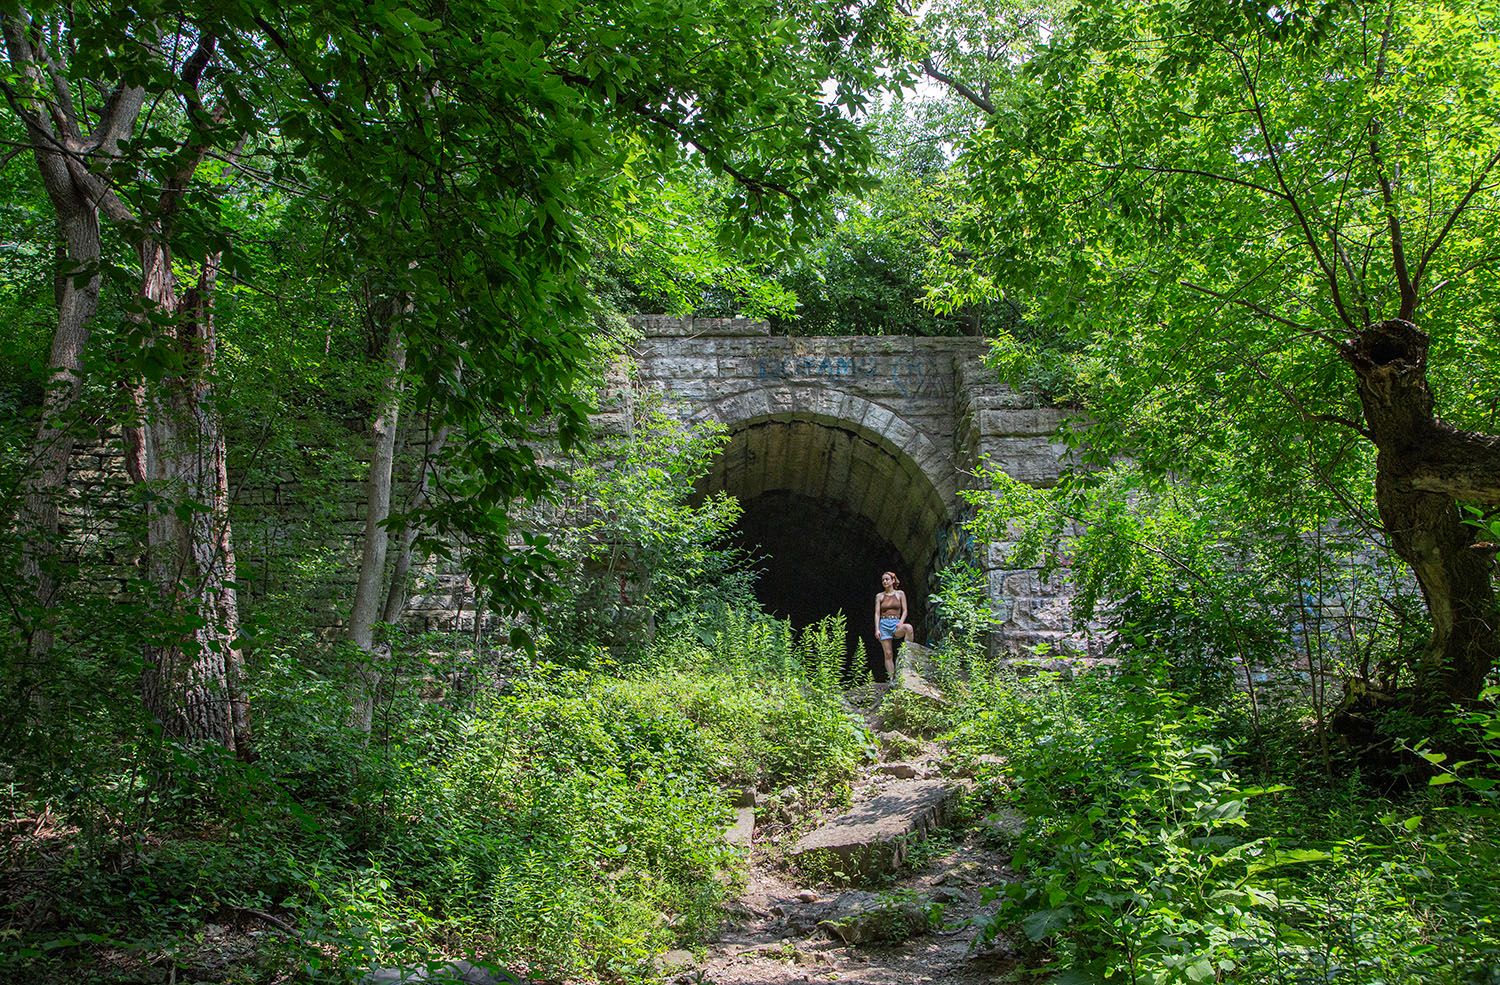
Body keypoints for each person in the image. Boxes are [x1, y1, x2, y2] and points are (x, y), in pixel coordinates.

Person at [874, 570, 915, 682]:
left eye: (887, 579)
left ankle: (906, 657)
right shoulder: (879, 596)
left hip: (896, 622)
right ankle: (892, 679)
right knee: (888, 653)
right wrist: (877, 629)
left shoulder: (900, 593)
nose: (884, 581)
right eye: (883, 580)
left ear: (892, 580)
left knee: (908, 628)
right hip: (884, 624)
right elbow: (877, 613)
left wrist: (901, 622)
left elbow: (905, 610)